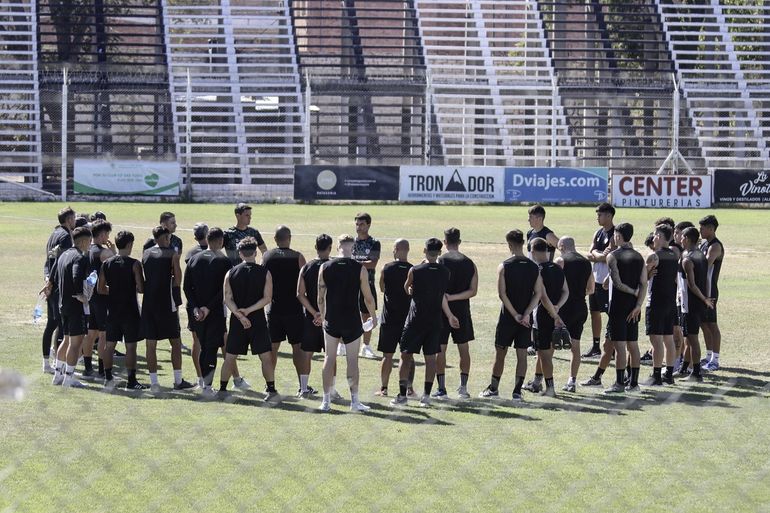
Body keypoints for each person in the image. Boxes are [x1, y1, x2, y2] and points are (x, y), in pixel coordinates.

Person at [390, 238, 459, 408]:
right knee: (431, 359)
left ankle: (402, 395)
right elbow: (440, 291)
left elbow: (407, 288)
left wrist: (412, 290)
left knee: (405, 356)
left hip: (415, 320)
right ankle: (426, 396)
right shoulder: (445, 272)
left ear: (424, 251)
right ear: (439, 252)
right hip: (434, 320)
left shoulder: (415, 270)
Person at [584, 223, 647, 394]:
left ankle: (619, 384)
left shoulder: (612, 256)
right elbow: (644, 283)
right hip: (634, 307)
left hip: (618, 307)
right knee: (633, 345)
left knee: (619, 346)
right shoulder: (639, 257)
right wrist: (639, 304)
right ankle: (634, 384)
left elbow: (618, 283)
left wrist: (631, 290)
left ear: (618, 236)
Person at [317, 234, 377, 412]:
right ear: (353, 248)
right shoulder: (360, 269)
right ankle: (354, 402)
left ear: (337, 247)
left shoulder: (325, 267)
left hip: (332, 319)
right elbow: (368, 298)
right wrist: (373, 316)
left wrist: (322, 317)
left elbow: (320, 297)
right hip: (351, 320)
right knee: (352, 362)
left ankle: (326, 401)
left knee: (329, 359)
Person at [480, 230, 542, 400]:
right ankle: (516, 391)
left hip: (508, 318)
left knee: (500, 354)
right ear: (523, 244)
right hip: (525, 320)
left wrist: (515, 314)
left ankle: (493, 389)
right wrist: (527, 314)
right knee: (522, 356)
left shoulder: (504, 266)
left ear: (509, 245)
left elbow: (502, 294)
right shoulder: (533, 266)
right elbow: (538, 293)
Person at [220, 237, 276, 401]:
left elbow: (227, 298)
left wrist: (239, 314)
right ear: (256, 252)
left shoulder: (230, 273)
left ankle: (222, 389)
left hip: (237, 321)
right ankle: (271, 390)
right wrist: (249, 311)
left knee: (230, 356)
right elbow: (267, 298)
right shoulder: (265, 272)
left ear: (240, 253)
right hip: (257, 320)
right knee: (265, 356)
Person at [142, 225, 195, 393]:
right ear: (161, 238)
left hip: (149, 303)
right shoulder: (171, 253)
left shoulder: (146, 253)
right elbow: (178, 280)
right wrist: (176, 262)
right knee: (176, 342)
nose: (169, 240)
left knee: (151, 344)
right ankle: (178, 381)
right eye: (167, 237)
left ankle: (154, 383)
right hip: (167, 303)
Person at [183, 227, 233, 397]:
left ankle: (203, 382)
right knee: (211, 349)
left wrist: (196, 307)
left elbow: (186, 287)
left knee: (203, 347)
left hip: (196, 312)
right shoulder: (224, 261)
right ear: (220, 241)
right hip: (214, 312)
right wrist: (208, 308)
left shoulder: (193, 259)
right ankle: (207, 386)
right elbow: (224, 290)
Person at [98, 230, 146, 390]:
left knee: (109, 345)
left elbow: (100, 289)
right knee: (131, 346)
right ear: (130, 244)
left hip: (112, 311)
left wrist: (115, 291)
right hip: (130, 311)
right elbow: (140, 288)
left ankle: (108, 378)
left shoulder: (107, 264)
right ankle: (131, 381)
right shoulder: (134, 264)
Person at [262, 226, 308, 394]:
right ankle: (303, 387)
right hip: (294, 310)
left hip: (274, 309)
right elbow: (306, 282)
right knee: (298, 348)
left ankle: (270, 385)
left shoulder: (267, 256)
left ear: (274, 239)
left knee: (273, 348)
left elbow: (263, 280)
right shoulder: (298, 257)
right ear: (290, 237)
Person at [435, 228, 477, 399]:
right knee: (464, 349)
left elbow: (438, 290)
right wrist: (455, 297)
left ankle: (441, 389)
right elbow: (473, 291)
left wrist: (448, 298)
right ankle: (463, 387)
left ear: (444, 243)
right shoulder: (469, 263)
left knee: (440, 350)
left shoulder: (440, 261)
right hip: (462, 311)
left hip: (442, 311)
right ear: (459, 242)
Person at [51, 226, 92, 388]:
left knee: (66, 340)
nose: (90, 244)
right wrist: (80, 294)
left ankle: (58, 375)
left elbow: (54, 277)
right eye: (89, 241)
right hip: (75, 306)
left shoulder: (64, 255)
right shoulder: (80, 257)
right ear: (83, 241)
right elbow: (76, 275)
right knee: (76, 342)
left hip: (63, 304)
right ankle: (69, 378)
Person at [528, 238, 568, 398]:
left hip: (544, 317)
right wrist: (558, 306)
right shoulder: (558, 268)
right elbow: (566, 291)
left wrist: (553, 313)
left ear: (534, 251)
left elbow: (542, 297)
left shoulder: (537, 270)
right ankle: (537, 382)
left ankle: (550, 388)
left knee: (544, 355)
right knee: (546, 353)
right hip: (557, 313)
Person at [555, 236, 594, 392]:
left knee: (549, 345)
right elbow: (591, 289)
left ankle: (541, 380)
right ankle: (572, 381)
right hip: (580, 307)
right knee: (575, 346)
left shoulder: (560, 261)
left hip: (563, 308)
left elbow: (554, 284)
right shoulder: (586, 262)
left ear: (563, 246)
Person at [296, 234, 333, 398]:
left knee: (307, 353)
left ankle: (303, 388)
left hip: (310, 317)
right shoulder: (333, 266)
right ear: (330, 248)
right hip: (330, 317)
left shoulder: (306, 267)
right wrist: (323, 314)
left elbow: (299, 293)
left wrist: (314, 313)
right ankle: (331, 390)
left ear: (315, 247)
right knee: (330, 354)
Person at [643, 224, 679, 386]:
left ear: (659, 237)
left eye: (655, 235)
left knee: (655, 340)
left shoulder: (654, 256)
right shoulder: (674, 254)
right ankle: (669, 375)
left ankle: (656, 376)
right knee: (668, 339)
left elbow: (641, 277)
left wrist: (648, 273)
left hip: (656, 302)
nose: (653, 238)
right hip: (670, 302)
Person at [376, 239, 413, 397]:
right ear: (408, 250)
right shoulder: (413, 269)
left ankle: (384, 388)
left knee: (387, 356)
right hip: (408, 320)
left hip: (389, 318)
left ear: (396, 249)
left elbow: (382, 288)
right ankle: (409, 389)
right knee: (407, 356)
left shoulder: (387, 268)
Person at [678, 227, 714, 382]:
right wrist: (706, 297)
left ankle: (696, 373)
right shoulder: (701, 255)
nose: (680, 239)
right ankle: (685, 368)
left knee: (692, 339)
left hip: (690, 304)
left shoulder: (687, 259)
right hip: (699, 303)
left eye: (682, 237)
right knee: (690, 338)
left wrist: (704, 298)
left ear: (686, 238)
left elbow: (692, 285)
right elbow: (706, 279)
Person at [42, 207, 75, 374]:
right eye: (73, 219)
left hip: (50, 283)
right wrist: (52, 282)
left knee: (51, 324)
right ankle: (58, 364)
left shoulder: (54, 234)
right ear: (69, 220)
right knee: (62, 326)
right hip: (58, 287)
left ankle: (47, 362)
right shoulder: (66, 237)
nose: (74, 222)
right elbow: (60, 263)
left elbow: (47, 261)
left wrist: (47, 279)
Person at [584, 202, 616, 358]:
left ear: (609, 216)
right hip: (595, 280)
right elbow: (590, 254)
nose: (598, 217)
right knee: (594, 313)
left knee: (611, 313)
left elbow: (605, 258)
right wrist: (598, 254)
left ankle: (613, 346)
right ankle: (596, 346)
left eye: (600, 215)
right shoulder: (598, 233)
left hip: (608, 281)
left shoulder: (616, 234)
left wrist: (597, 254)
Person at [83, 219, 115, 380]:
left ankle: (88, 368)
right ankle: (102, 370)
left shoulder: (87, 250)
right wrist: (114, 251)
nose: (108, 236)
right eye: (107, 234)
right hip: (102, 297)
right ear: (102, 234)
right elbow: (117, 264)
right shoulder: (104, 253)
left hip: (90, 297)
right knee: (103, 335)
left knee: (91, 333)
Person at [351, 212, 380, 359]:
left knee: (366, 315)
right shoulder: (351, 242)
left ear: (368, 225)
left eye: (361, 224)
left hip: (367, 284)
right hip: (350, 285)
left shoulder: (374, 243)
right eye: (357, 224)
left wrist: (353, 264)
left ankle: (366, 346)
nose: (358, 227)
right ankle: (344, 345)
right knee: (348, 313)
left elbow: (373, 263)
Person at [185, 222, 209, 386]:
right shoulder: (214, 253)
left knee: (196, 341)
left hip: (193, 301)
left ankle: (200, 378)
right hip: (209, 303)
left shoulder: (190, 253)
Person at [699, 215, 723, 371]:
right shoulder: (704, 243)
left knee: (712, 324)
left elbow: (705, 264)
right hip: (701, 290)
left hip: (710, 291)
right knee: (703, 323)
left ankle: (715, 359)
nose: (700, 230)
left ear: (711, 229)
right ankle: (708, 356)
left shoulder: (715, 246)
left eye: (702, 228)